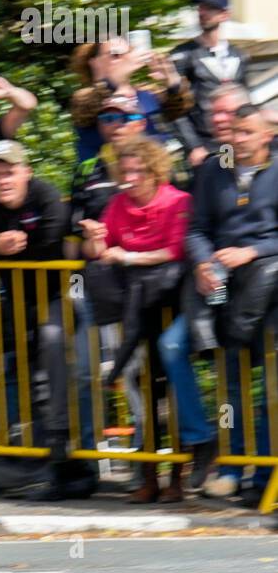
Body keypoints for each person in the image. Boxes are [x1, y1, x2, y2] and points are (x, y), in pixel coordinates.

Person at [79, 137, 205, 502]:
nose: (130, 177)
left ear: (155, 172)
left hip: (168, 307)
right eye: (126, 170)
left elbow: (175, 249)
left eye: (138, 171)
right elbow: (100, 253)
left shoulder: (177, 200)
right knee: (144, 393)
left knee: (171, 393)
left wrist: (129, 257)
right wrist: (95, 240)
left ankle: (178, 479)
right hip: (134, 311)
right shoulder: (118, 204)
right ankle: (149, 475)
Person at [0, 140, 93, 498]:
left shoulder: (46, 194)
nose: (4, 179)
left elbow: (52, 238)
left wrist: (9, 248)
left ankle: (57, 437)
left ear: (26, 171)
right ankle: (2, 448)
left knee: (53, 340)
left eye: (10, 172)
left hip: (55, 296)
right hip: (13, 300)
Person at [185, 106, 276, 505]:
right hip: (222, 288)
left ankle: (268, 473)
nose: (237, 139)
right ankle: (231, 467)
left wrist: (251, 250)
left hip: (270, 291)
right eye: (234, 131)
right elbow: (197, 229)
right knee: (230, 381)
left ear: (267, 135)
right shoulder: (211, 171)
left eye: (246, 132)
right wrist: (204, 262)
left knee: (270, 385)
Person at [69, 36, 191, 161]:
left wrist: (173, 83)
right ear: (95, 63)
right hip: (105, 174)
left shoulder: (147, 94)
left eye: (125, 54)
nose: (122, 59)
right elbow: (90, 110)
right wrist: (111, 81)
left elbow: (177, 109)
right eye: (114, 55)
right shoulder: (85, 99)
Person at [171, 0, 252, 166]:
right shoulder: (182, 55)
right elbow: (174, 109)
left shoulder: (239, 55)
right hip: (204, 145)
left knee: (240, 187)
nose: (202, 12)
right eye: (200, 7)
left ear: (225, 14)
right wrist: (193, 146)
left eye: (210, 7)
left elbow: (248, 101)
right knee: (216, 189)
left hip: (237, 141)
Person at [67, 93, 151, 238]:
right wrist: (87, 232)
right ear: (100, 126)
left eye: (125, 118)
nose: (116, 124)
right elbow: (75, 229)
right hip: (102, 253)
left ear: (141, 124)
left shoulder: (160, 164)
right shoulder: (85, 170)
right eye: (108, 119)